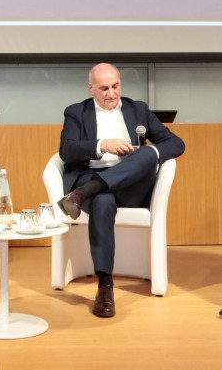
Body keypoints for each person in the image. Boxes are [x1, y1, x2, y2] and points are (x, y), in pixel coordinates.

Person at [57, 63, 185, 318]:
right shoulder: (76, 112)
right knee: (103, 202)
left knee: (148, 152)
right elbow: (66, 150)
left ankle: (85, 192)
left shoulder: (138, 109)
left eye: (115, 86)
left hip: (131, 186)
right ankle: (105, 287)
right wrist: (102, 145)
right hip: (96, 179)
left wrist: (144, 154)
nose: (112, 93)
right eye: (104, 88)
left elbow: (176, 143)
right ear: (91, 88)